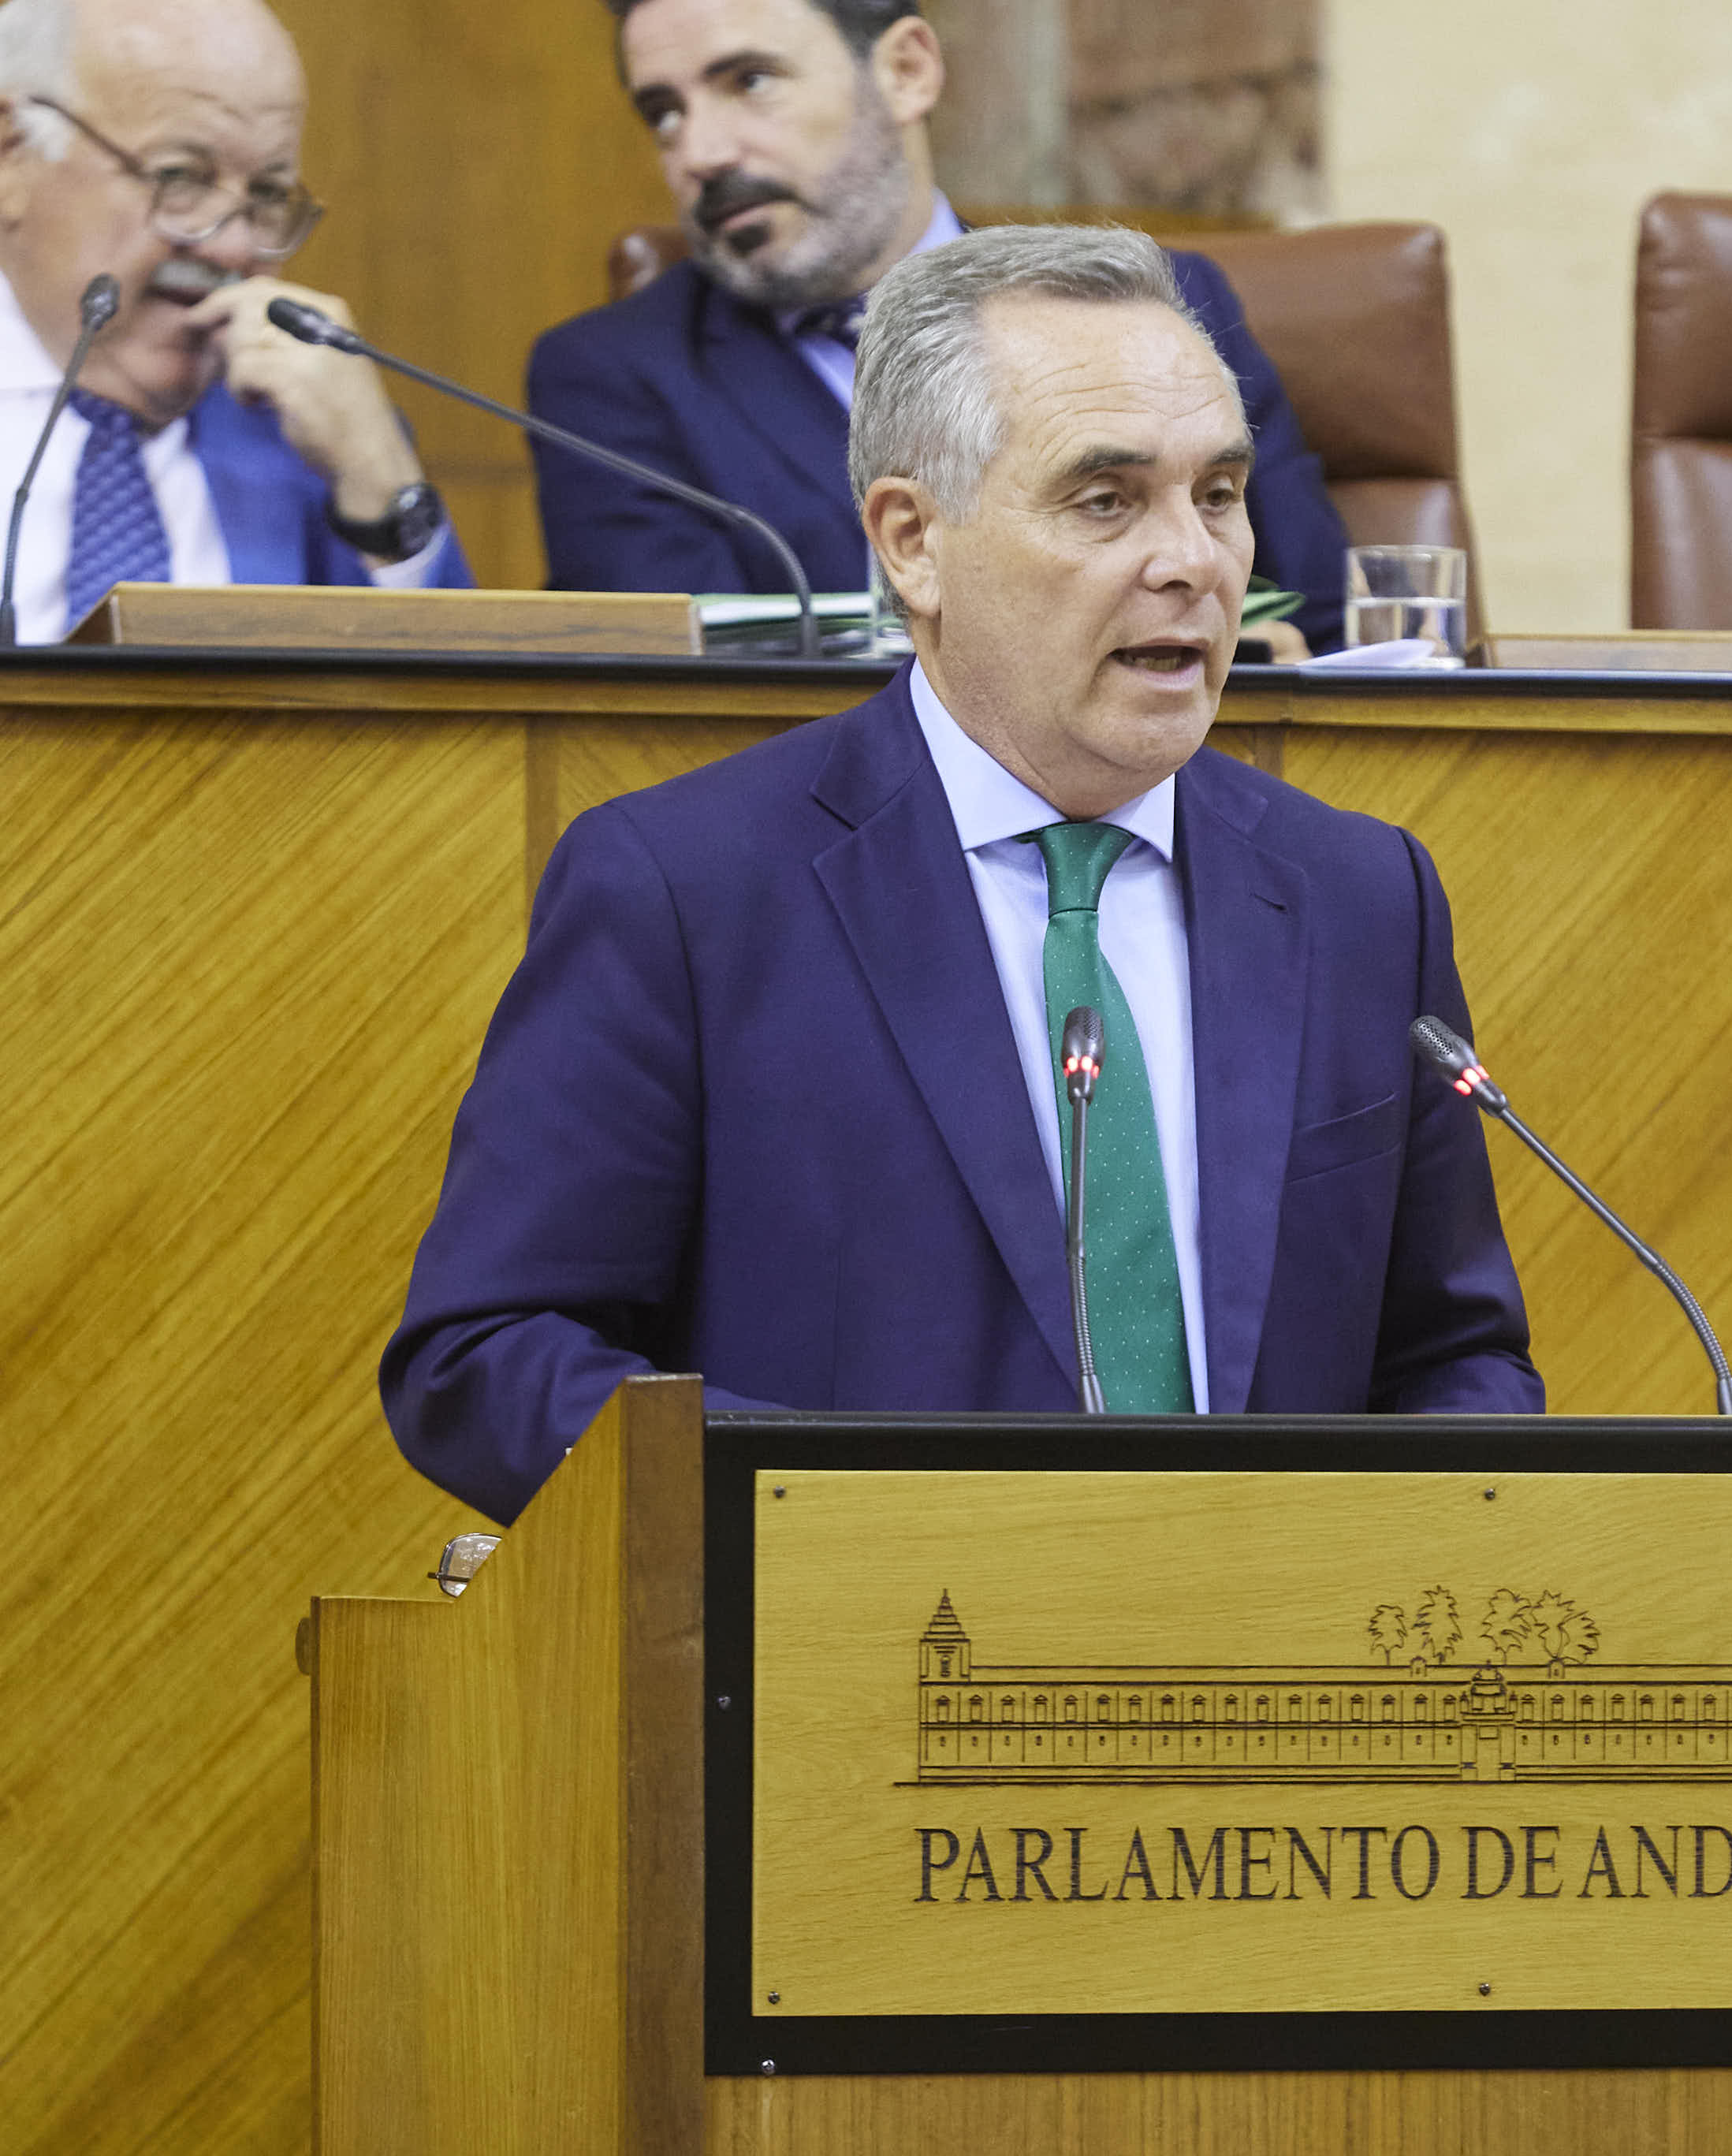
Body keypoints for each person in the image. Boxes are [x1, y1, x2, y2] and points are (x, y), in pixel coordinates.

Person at [387, 224, 1539, 1526]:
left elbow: (1455, 1359)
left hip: (1260, 1685)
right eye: (1105, 502)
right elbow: (483, 1361)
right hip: (851, 1680)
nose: (1195, 563)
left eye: (1216, 495)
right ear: (911, 542)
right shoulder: (687, 892)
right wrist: (831, 1520)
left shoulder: (1359, 896)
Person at [526, 0, 1349, 651]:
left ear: (906, 70)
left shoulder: (1152, 308)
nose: (700, 152)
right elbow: (680, 704)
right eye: (664, 113)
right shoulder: (609, 378)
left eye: (748, 81)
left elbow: (1319, 623)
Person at [0, 0, 466, 642]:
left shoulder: (309, 437)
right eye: (181, 177)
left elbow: (461, 729)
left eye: (269, 195)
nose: (233, 249)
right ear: (12, 154)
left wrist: (385, 488)